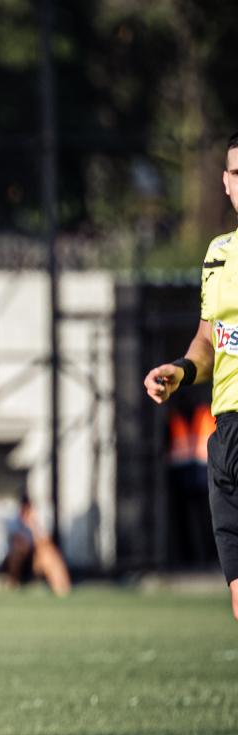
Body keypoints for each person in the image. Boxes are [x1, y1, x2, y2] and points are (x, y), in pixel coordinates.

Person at [146, 134, 238, 621]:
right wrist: (179, 372)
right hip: (225, 435)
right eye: (236, 173)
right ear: (225, 182)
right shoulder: (218, 253)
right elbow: (208, 341)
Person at [2, 495, 71, 597]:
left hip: (37, 556)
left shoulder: (38, 521)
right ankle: (13, 582)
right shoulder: (14, 521)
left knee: (48, 554)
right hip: (21, 558)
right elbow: (16, 542)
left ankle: (61, 586)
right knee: (17, 552)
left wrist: (33, 525)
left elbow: (45, 542)